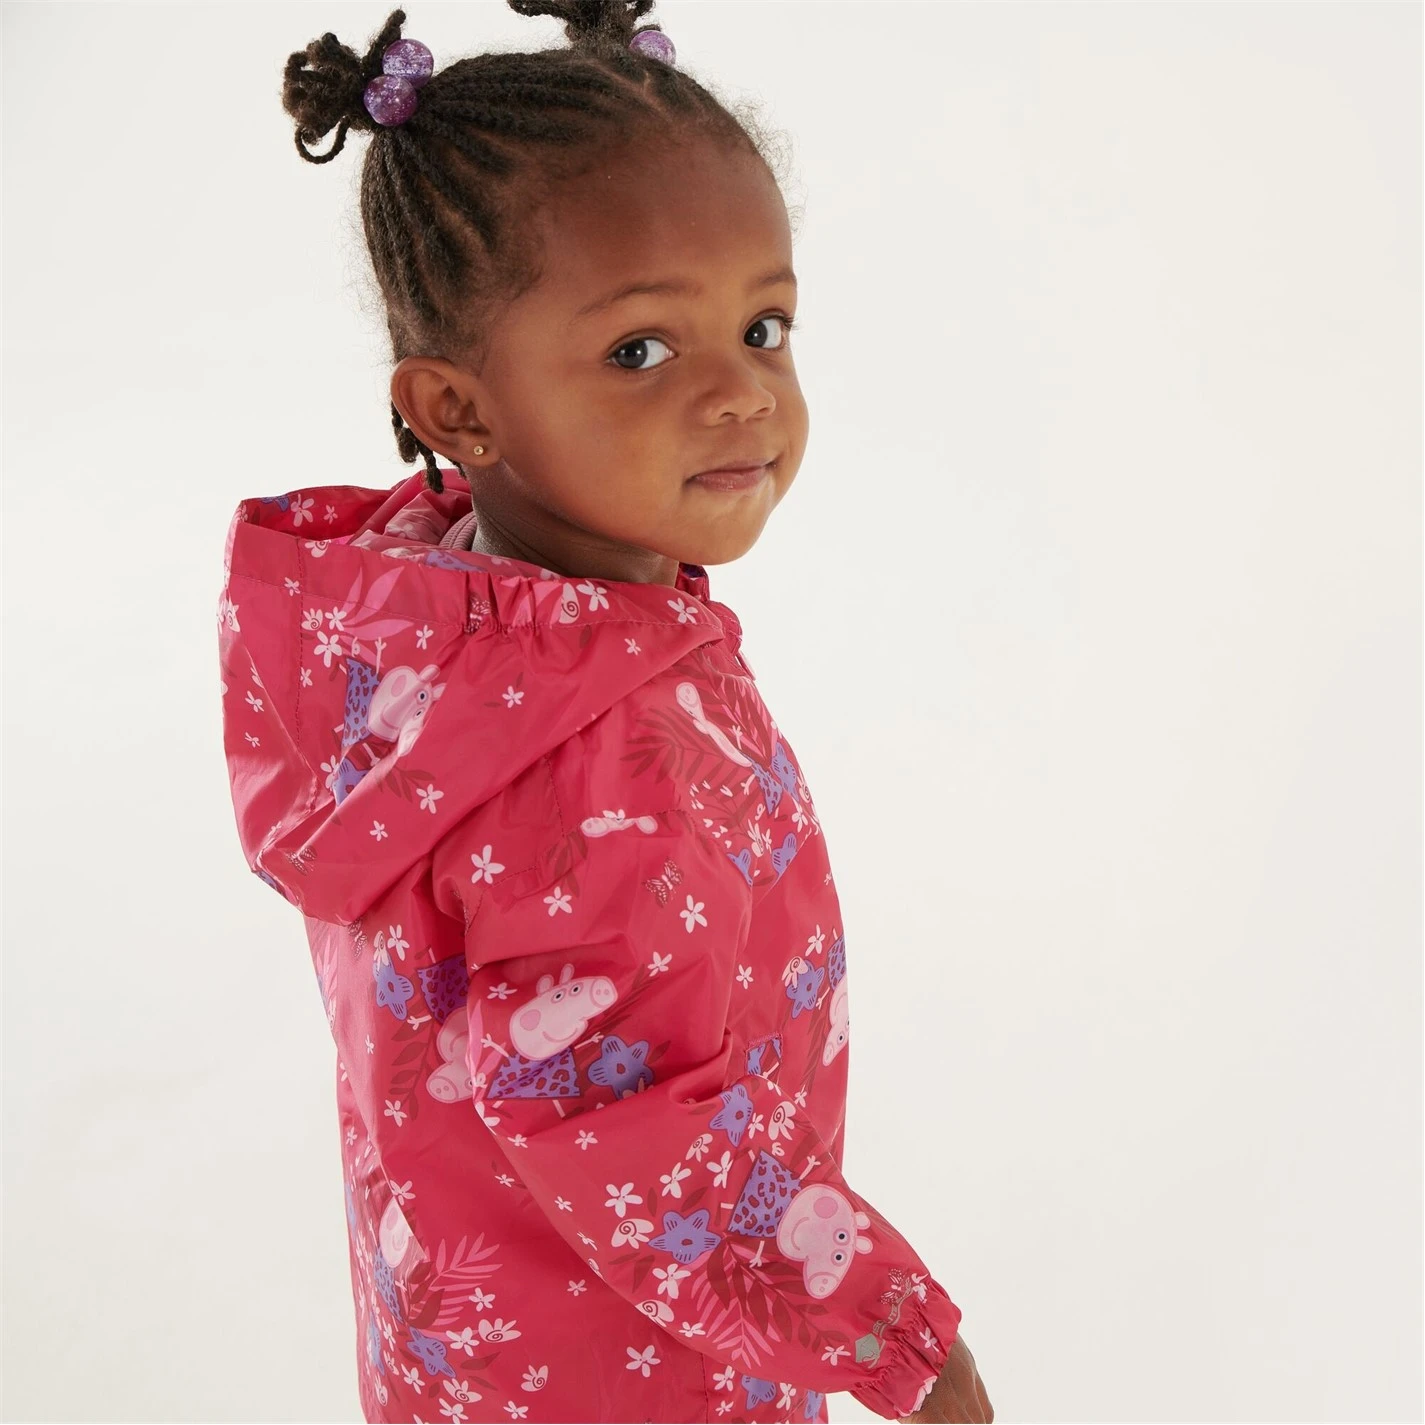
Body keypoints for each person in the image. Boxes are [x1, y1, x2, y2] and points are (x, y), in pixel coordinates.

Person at [216, 4, 994, 1422]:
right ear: (457, 408)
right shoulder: (575, 753)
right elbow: (628, 1127)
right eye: (641, 350)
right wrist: (902, 1346)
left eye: (764, 327)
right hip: (636, 1376)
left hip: (479, 1351)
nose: (741, 393)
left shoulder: (452, 640)